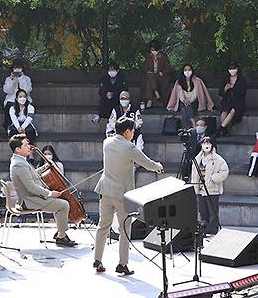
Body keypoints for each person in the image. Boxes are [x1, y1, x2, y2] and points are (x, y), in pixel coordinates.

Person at [93, 117, 163, 275]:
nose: (133, 133)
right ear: (127, 132)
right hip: (121, 193)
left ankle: (97, 260)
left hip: (105, 190)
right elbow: (147, 163)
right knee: (125, 228)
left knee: (103, 225)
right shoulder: (129, 147)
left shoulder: (107, 142)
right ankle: (122, 264)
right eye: (132, 131)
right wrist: (158, 166)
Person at [9, 134, 77, 247]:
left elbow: (33, 175)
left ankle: (61, 232)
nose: (29, 147)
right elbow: (30, 186)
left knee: (61, 203)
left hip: (32, 197)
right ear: (18, 149)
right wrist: (50, 193)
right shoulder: (19, 164)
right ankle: (61, 236)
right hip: (30, 200)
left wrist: (46, 166)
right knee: (64, 205)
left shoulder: (20, 161)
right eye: (26, 145)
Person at [191, 137, 228, 235]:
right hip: (200, 189)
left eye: (208, 143)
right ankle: (204, 229)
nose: (206, 145)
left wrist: (213, 178)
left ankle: (212, 230)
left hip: (212, 189)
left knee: (213, 211)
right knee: (202, 211)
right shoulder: (197, 159)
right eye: (204, 143)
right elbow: (194, 174)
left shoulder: (218, 159)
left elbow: (224, 172)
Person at [217, 61, 248, 137]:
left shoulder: (242, 80)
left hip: (238, 101)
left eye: (234, 68)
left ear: (237, 69)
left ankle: (220, 128)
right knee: (224, 111)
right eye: (230, 69)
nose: (232, 70)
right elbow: (220, 92)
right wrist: (225, 89)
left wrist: (233, 88)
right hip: (227, 100)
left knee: (233, 110)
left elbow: (242, 92)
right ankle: (224, 129)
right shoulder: (225, 78)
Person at [141, 40, 173, 108]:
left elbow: (168, 68)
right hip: (152, 76)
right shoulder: (148, 56)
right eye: (152, 50)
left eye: (154, 50)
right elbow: (144, 67)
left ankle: (150, 99)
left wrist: (162, 72)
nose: (153, 52)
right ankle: (156, 93)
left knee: (149, 81)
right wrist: (148, 71)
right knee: (150, 76)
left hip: (160, 76)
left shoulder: (163, 56)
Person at [2, 60, 32, 130]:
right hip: (11, 100)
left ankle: (24, 127)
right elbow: (7, 91)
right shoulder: (8, 79)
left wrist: (21, 78)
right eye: (15, 68)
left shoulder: (27, 79)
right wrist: (11, 80)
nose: (17, 70)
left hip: (24, 100)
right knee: (9, 107)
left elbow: (26, 90)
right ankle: (9, 127)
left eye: (19, 68)